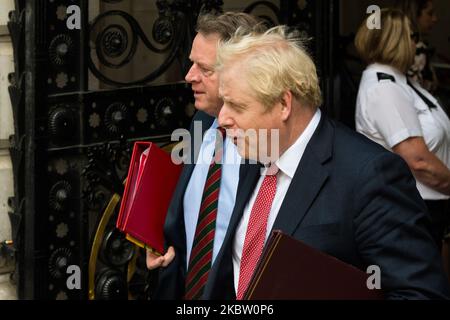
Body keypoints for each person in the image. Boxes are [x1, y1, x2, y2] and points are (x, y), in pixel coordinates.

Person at [201, 25, 450, 299]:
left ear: (284, 104)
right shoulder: (254, 152)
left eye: (237, 106)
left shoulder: (370, 175)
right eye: (223, 103)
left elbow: (421, 294)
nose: (222, 118)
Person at [146, 12, 265, 300]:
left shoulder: (266, 141)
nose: (189, 76)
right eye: (191, 63)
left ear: (241, 71)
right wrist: (158, 242)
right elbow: (189, 214)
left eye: (205, 68)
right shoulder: (200, 122)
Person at [355, 8, 450, 251]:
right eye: (410, 36)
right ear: (394, 40)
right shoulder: (384, 87)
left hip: (429, 207)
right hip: (412, 209)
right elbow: (418, 160)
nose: (416, 42)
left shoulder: (401, 81)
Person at [394, 0, 438, 91]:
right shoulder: (417, 48)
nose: (435, 19)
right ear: (413, 15)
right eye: (429, 13)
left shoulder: (393, 45)